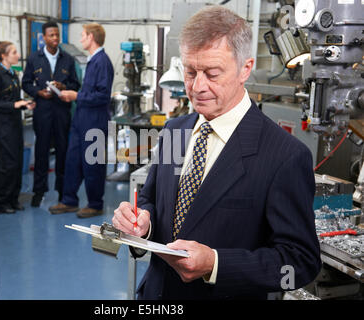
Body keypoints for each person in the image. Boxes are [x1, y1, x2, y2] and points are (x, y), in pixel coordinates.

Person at [112, 6, 321, 300]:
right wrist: (142, 224)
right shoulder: (175, 129)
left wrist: (216, 264)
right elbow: (151, 199)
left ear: (245, 69)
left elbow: (300, 263)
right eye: (190, 72)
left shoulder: (284, 155)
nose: (197, 87)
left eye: (212, 73)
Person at [49, 23, 114, 218]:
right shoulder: (92, 61)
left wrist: (76, 96)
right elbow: (89, 91)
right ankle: (69, 200)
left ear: (91, 37)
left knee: (92, 164)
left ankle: (95, 204)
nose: (80, 39)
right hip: (81, 120)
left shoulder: (102, 62)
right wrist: (70, 92)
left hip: (94, 121)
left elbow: (102, 96)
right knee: (73, 160)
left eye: (83, 35)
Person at [22, 21, 81, 207]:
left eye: (57, 35)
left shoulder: (68, 60)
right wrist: (38, 92)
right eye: (51, 35)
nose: (55, 38)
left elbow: (75, 85)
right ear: (44, 37)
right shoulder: (34, 59)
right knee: (42, 152)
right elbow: (26, 83)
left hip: (62, 112)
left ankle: (63, 192)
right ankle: (38, 192)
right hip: (43, 112)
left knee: (63, 152)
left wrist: (64, 86)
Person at [0, 41, 36, 214]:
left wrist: (24, 105)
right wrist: (15, 105)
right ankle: (1, 202)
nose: (18, 55)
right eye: (14, 52)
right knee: (7, 164)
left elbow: (13, 100)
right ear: (3, 56)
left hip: (15, 124)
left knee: (17, 163)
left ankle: (13, 199)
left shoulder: (13, 74)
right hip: (5, 126)